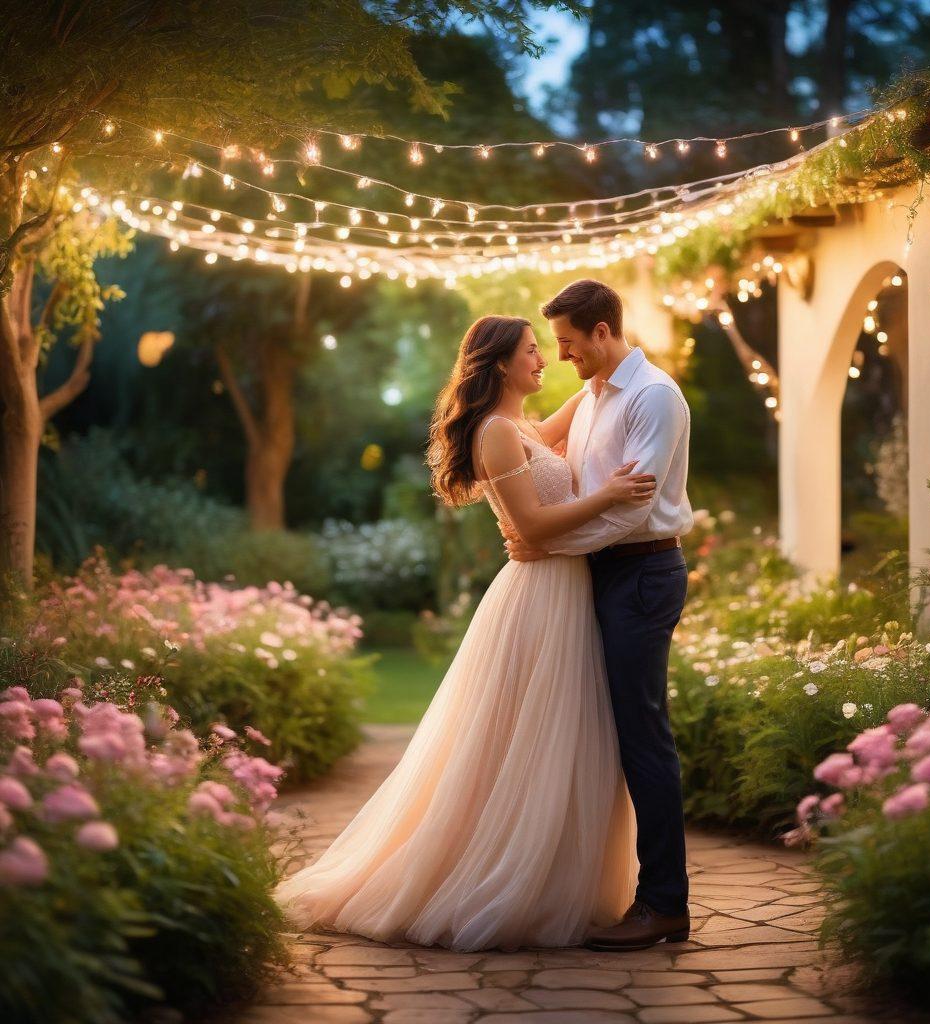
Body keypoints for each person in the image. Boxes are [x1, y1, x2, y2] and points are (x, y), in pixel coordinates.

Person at [273, 312, 662, 952]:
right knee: (518, 736)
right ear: (501, 363)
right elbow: (532, 527)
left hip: (566, 589)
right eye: (533, 351)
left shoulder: (523, 428)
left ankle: (549, 876)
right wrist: (612, 493)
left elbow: (581, 404)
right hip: (539, 595)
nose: (545, 360)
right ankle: (493, 875)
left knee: (558, 733)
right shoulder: (496, 433)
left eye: (548, 348)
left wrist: (611, 363)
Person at [503, 279, 694, 951]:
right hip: (604, 572)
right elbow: (539, 453)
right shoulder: (593, 396)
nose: (561, 356)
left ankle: (664, 903)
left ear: (603, 332)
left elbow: (632, 509)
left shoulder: (653, 397)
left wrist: (547, 545)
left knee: (643, 735)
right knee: (606, 732)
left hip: (642, 572)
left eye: (568, 342)